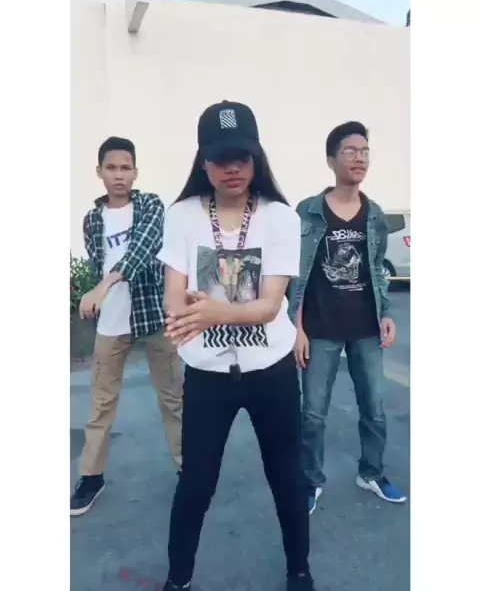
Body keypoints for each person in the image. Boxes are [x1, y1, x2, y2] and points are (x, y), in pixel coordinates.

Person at [159, 101, 316, 591]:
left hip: (271, 370)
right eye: (221, 157)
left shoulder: (280, 217)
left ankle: (299, 570)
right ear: (203, 161)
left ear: (256, 158)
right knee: (196, 483)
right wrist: (188, 314)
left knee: (286, 478)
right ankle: (178, 579)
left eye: (242, 157)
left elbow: (269, 306)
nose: (233, 168)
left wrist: (209, 312)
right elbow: (173, 295)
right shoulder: (182, 215)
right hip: (208, 374)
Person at [290, 122, 407, 515]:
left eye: (365, 151)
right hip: (320, 329)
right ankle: (310, 480)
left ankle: (371, 473)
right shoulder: (308, 211)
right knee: (313, 413)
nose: (360, 158)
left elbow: (377, 271)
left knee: (374, 407)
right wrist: (297, 328)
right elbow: (296, 275)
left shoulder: (374, 215)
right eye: (350, 151)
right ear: (331, 160)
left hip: (366, 329)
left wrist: (386, 313)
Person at [70, 136, 184, 517]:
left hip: (153, 315)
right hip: (111, 322)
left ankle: (188, 469)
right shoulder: (92, 220)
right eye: (111, 168)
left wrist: (103, 286)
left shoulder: (150, 205)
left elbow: (143, 250)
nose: (119, 175)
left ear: (136, 172)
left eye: (125, 168)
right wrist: (101, 295)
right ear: (99, 172)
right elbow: (97, 260)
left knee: (174, 399)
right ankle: (91, 476)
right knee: (101, 404)